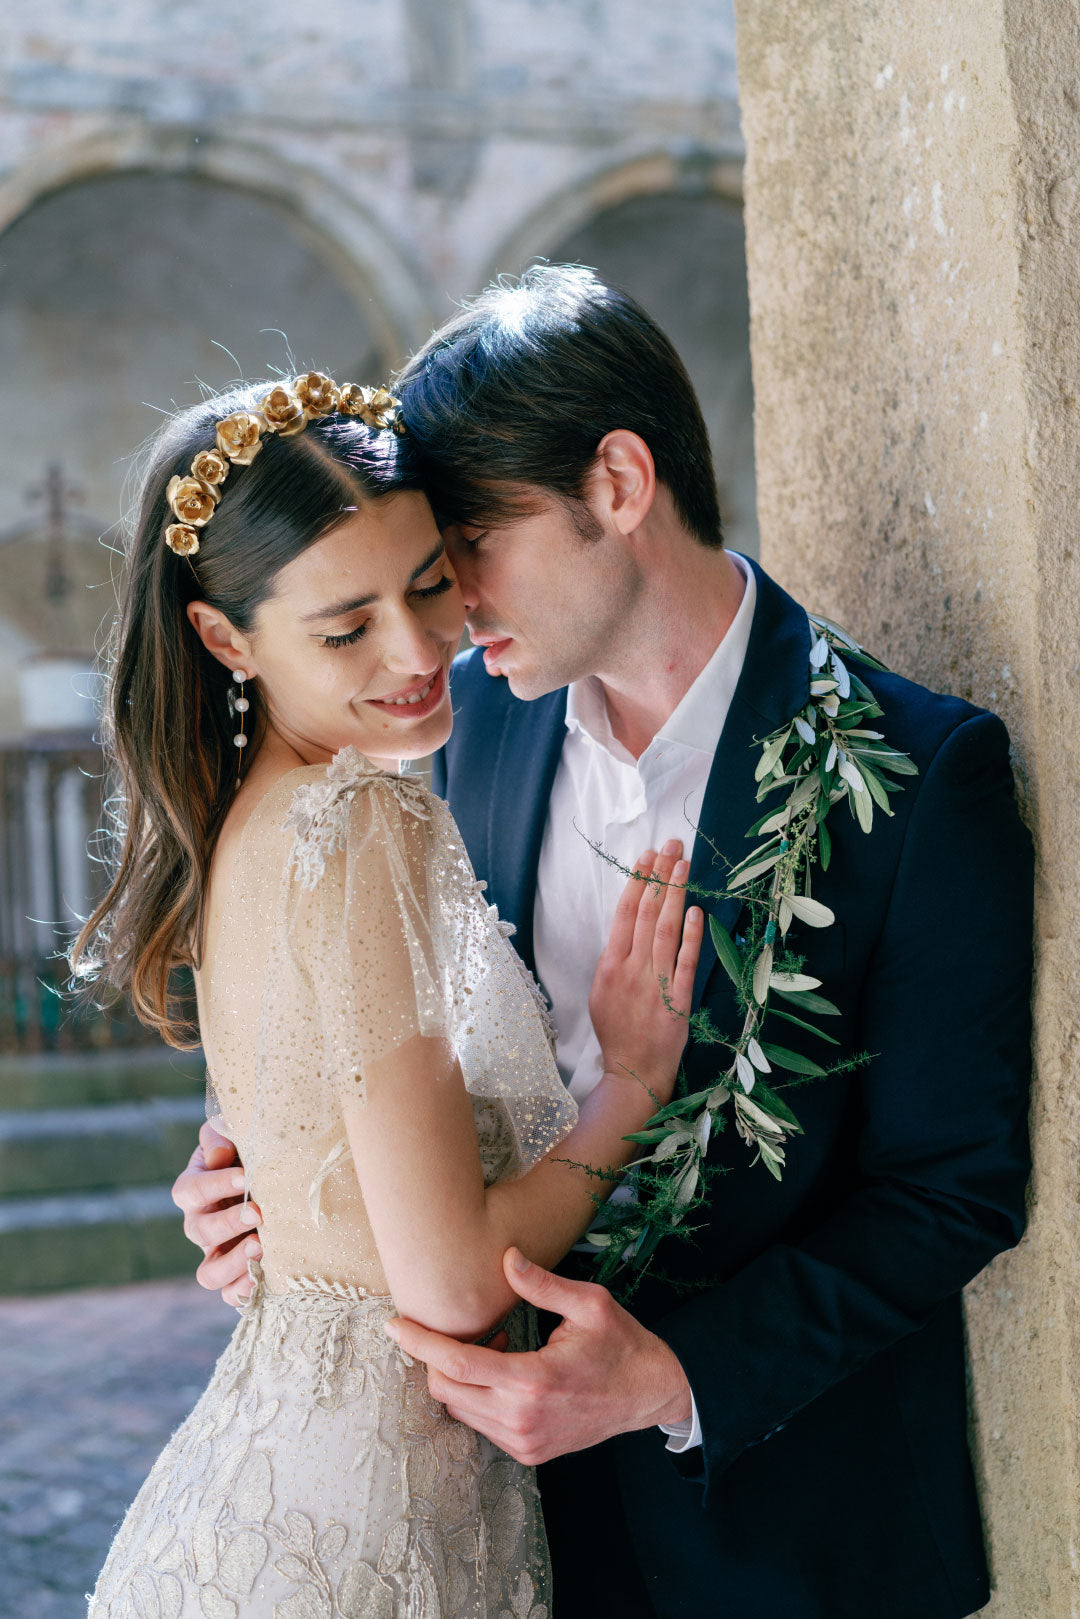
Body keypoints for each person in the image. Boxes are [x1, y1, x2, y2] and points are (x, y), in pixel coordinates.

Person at [177, 267, 1035, 1619]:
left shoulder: (924, 775)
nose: (446, 605)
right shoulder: (444, 733)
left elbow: (953, 1186)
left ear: (620, 486)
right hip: (496, 1529)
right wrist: (259, 1175)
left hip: (786, 1532)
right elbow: (353, 1009)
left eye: (470, 543)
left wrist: (671, 1377)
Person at [76, 371, 705, 1618]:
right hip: (361, 1528)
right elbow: (458, 1283)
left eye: (429, 584)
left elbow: (319, 1164)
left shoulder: (241, 820)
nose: (420, 654)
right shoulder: (355, 818)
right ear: (224, 638)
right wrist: (631, 1083)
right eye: (345, 626)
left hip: (276, 1478)